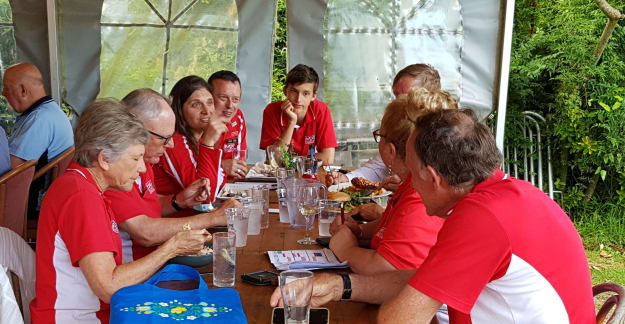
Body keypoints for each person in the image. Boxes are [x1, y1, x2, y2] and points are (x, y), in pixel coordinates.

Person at [272, 109, 596, 323]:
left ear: (433, 176)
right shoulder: (506, 194)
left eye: (411, 173)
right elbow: (423, 282)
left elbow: (399, 318)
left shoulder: (482, 217)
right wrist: (339, 285)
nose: (408, 183)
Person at [30, 99, 209, 324]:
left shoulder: (86, 186)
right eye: (135, 158)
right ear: (104, 159)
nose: (142, 168)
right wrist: (171, 248)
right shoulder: (80, 197)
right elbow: (109, 287)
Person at [104, 88, 239, 263]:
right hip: (135, 270)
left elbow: (146, 205)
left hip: (154, 260)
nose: (170, 144)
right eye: (164, 138)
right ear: (134, 130)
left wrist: (178, 201)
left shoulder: (144, 161)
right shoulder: (114, 167)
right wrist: (213, 218)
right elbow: (145, 232)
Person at [328, 88, 452, 275]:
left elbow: (386, 269)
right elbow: (388, 230)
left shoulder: (420, 195)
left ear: (391, 150)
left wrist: (346, 249)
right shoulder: (410, 183)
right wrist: (357, 232)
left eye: (380, 136)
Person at [325, 64, 441, 191]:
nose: (397, 103)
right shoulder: (402, 130)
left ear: (429, 98)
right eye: (396, 97)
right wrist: (347, 178)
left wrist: (408, 187)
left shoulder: (443, 137)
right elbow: (381, 165)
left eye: (406, 98)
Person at [154, 76, 229, 201]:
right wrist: (208, 144)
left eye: (210, 102)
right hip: (171, 218)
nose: (206, 111)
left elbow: (220, 182)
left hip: (191, 217)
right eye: (196, 105)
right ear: (179, 110)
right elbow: (205, 197)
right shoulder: (173, 141)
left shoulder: (199, 138)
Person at [259, 64, 337, 165]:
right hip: (280, 177)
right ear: (285, 91)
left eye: (305, 93)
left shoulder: (321, 110)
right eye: (294, 91)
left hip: (310, 175)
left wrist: (289, 161)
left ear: (313, 96)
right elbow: (275, 160)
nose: (298, 99)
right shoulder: (271, 111)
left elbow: (327, 159)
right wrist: (291, 122)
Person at [2, 63, 73, 168]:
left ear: (23, 91)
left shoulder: (40, 118)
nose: (3, 93)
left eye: (7, 88)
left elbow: (10, 169)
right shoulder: (49, 110)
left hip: (33, 184)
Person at [207, 70, 248, 180]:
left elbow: (240, 161)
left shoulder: (238, 117)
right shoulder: (196, 121)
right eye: (223, 98)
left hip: (227, 185)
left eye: (235, 99)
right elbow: (191, 169)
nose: (230, 105)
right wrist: (221, 166)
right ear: (209, 97)